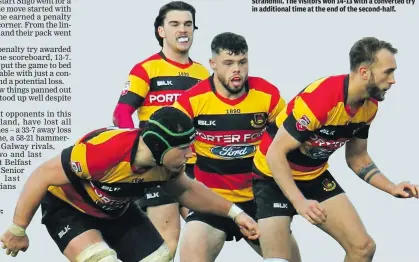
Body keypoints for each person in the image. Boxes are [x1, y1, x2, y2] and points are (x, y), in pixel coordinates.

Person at [0, 107, 260, 262]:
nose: (190, 155)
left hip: (116, 212)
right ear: (159, 145)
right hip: (69, 210)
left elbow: (188, 190)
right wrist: (18, 229)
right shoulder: (104, 153)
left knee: (160, 259)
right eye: (183, 148)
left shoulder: (167, 165)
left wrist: (236, 214)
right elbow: (41, 176)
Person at [251, 36, 419, 262]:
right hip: (271, 176)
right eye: (388, 72)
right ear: (364, 72)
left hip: (314, 176)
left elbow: (357, 157)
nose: (393, 80)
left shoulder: (369, 107)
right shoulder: (322, 99)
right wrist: (299, 202)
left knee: (363, 248)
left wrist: (392, 187)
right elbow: (275, 153)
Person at [173, 32, 301, 262]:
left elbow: (289, 145)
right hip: (212, 202)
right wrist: (187, 202)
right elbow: (172, 158)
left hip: (260, 200)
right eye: (228, 63)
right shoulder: (191, 101)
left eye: (242, 62)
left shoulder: (268, 96)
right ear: (213, 64)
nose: (237, 70)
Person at [111, 1, 210, 257]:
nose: (183, 30)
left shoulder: (203, 74)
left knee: (205, 237)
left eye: (188, 24)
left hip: (194, 167)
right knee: (166, 246)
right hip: (157, 168)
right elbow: (121, 112)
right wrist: (134, 151)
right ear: (161, 31)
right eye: (175, 24)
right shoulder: (146, 69)